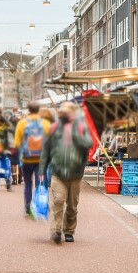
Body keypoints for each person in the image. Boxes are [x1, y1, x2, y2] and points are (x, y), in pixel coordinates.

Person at [41, 101, 95, 244]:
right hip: (58, 172)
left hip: (75, 174)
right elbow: (46, 149)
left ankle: (69, 230)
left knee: (72, 205)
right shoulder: (55, 128)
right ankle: (56, 231)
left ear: (74, 113)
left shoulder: (82, 127)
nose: (64, 115)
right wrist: (42, 169)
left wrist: (75, 133)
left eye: (67, 112)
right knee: (58, 201)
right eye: (62, 112)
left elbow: (88, 144)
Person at [12, 103, 51, 217]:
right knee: (40, 183)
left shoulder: (22, 123)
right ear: (39, 110)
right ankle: (40, 206)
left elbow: (17, 142)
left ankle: (28, 207)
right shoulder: (45, 123)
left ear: (28, 110)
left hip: (26, 159)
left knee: (28, 184)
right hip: (41, 160)